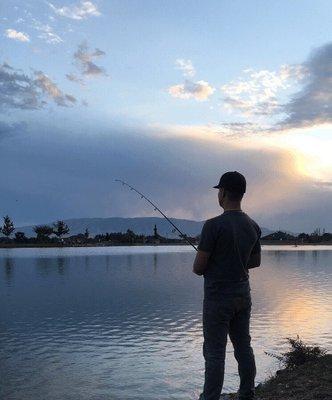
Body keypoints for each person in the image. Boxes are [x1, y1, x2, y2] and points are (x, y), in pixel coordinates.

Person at [193, 171, 261, 400]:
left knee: (214, 354)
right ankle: (247, 393)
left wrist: (216, 262)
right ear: (242, 194)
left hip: (217, 299)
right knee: (243, 347)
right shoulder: (253, 225)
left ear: (222, 193)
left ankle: (210, 397)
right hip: (243, 295)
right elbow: (255, 261)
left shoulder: (212, 226)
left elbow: (199, 267)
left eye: (219, 191)